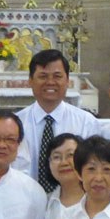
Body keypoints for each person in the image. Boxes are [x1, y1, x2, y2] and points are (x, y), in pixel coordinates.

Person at [16, 48, 100, 192]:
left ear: (67, 81)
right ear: (30, 81)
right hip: (24, 201)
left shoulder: (86, 122)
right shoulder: (16, 124)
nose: (50, 82)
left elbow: (94, 166)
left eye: (57, 76)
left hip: (73, 203)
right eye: (43, 76)